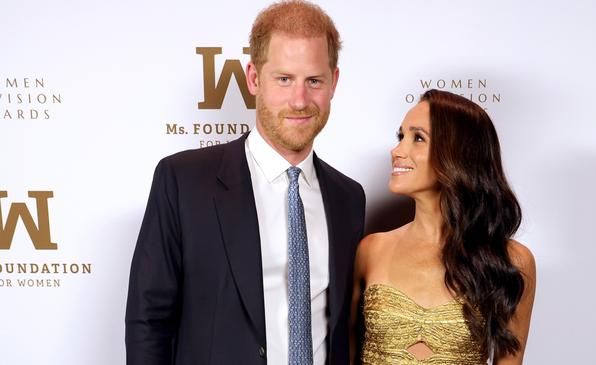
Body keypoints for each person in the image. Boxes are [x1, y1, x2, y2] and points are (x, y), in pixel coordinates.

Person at [125, 1, 365, 364]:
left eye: (313, 81)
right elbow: (149, 323)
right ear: (254, 78)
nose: (299, 100)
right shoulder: (184, 181)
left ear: (334, 82)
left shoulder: (349, 197)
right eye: (283, 79)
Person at [350, 89, 536, 364]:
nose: (397, 150)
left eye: (418, 138)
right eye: (401, 136)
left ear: (458, 154)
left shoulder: (512, 261)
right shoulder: (371, 249)